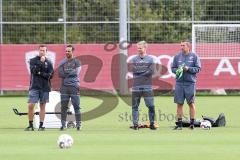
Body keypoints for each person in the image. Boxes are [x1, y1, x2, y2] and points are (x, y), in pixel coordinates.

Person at [171, 40, 201, 130]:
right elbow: (173, 68)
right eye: (180, 45)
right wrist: (178, 70)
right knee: (179, 103)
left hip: (190, 83)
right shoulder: (177, 56)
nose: (181, 47)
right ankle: (179, 124)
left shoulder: (194, 56)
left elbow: (198, 69)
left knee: (191, 103)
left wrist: (188, 69)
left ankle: (192, 123)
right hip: (179, 83)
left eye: (183, 45)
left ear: (188, 46)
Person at [25, 45, 54, 131]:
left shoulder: (49, 62)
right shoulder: (33, 60)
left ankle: (41, 125)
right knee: (31, 105)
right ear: (38, 51)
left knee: (42, 106)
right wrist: (41, 63)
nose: (42, 52)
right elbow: (33, 71)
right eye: (40, 50)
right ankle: (30, 125)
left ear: (46, 52)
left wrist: (40, 73)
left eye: (43, 50)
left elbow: (50, 75)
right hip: (34, 87)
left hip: (45, 87)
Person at [130, 41, 157, 130]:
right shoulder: (134, 59)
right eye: (137, 48)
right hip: (136, 87)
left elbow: (151, 71)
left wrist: (140, 70)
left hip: (147, 87)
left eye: (140, 48)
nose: (138, 49)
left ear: (145, 48)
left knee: (151, 106)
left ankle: (152, 124)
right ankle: (135, 125)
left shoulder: (150, 59)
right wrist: (144, 70)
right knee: (135, 106)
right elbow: (133, 69)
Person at [58, 45, 82, 131]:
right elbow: (60, 74)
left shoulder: (77, 62)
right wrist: (70, 72)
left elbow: (76, 73)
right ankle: (63, 125)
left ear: (72, 52)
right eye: (66, 51)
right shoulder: (62, 62)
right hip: (64, 87)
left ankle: (79, 124)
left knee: (76, 106)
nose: (67, 52)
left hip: (74, 86)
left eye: (69, 51)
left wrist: (66, 72)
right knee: (64, 107)